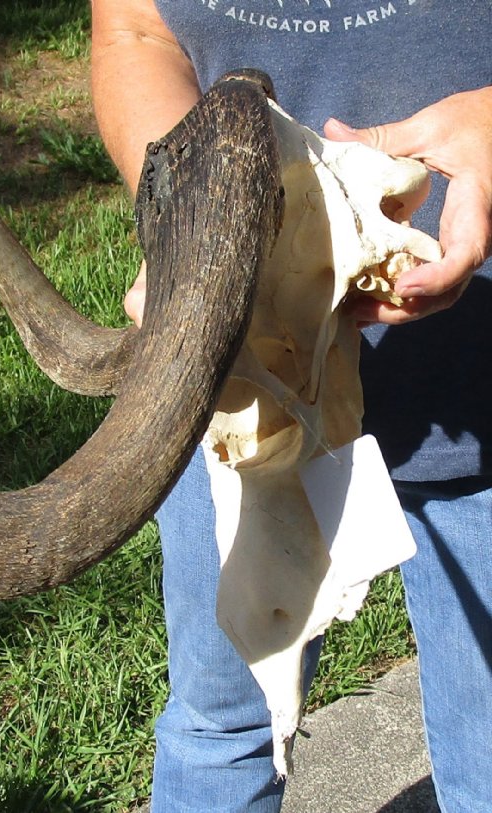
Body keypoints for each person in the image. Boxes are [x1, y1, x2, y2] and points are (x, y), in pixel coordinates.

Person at [89, 2, 492, 811]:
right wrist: (187, 212)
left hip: (480, 371)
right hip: (232, 377)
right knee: (219, 732)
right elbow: (137, 31)